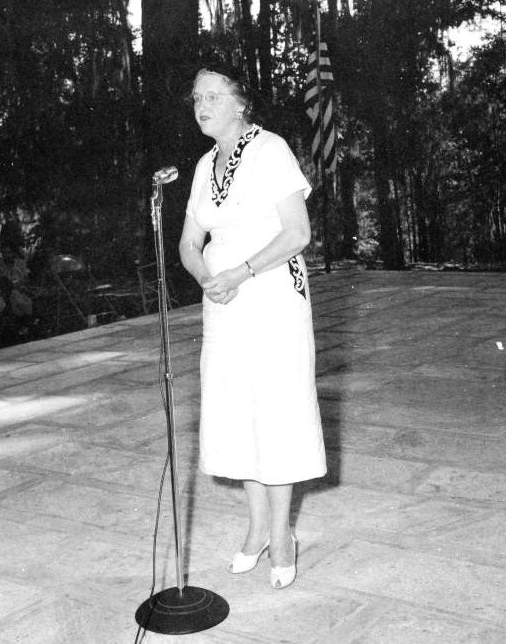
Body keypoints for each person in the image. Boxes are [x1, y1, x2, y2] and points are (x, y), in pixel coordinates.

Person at [179, 65, 326, 590]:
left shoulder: (271, 150)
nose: (202, 104)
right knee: (237, 408)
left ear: (242, 103)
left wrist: (238, 273)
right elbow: (189, 242)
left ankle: (283, 533)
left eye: (214, 95)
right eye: (197, 96)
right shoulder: (202, 165)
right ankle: (258, 525)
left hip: (271, 294)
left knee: (276, 409)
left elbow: (298, 232)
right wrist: (207, 279)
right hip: (223, 300)